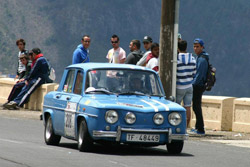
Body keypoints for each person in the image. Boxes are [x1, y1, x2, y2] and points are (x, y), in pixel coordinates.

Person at [176, 40, 196, 127]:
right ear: (186, 47)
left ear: (177, 48)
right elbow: (194, 73)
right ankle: (186, 126)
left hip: (179, 86)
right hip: (189, 85)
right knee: (187, 106)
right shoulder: (192, 59)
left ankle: (177, 125)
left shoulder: (176, 59)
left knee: (176, 107)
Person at [191, 38, 209, 135]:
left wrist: (193, 84)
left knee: (196, 107)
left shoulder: (202, 59)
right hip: (198, 85)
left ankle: (200, 129)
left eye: (197, 47)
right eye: (194, 46)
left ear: (202, 47)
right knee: (196, 106)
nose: (195, 48)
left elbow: (199, 75)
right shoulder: (200, 57)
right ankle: (198, 127)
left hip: (198, 85)